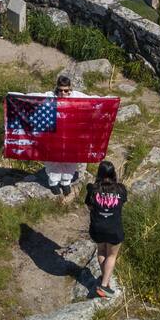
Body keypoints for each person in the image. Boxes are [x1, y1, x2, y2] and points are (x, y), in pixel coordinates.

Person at [85, 160, 128, 299]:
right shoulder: (121, 189)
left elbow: (90, 207)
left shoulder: (92, 189)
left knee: (102, 251)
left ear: (99, 173)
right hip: (114, 228)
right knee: (112, 255)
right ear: (114, 173)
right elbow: (122, 204)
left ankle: (105, 281)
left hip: (97, 227)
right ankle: (104, 285)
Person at [43, 75, 86, 196]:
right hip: (53, 135)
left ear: (69, 89)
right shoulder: (50, 96)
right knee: (53, 160)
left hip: (71, 135)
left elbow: (93, 100)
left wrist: (110, 99)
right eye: (60, 90)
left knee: (70, 160)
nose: (63, 93)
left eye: (66, 90)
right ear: (57, 88)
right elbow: (33, 98)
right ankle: (53, 182)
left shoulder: (77, 96)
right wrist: (13, 95)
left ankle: (66, 181)